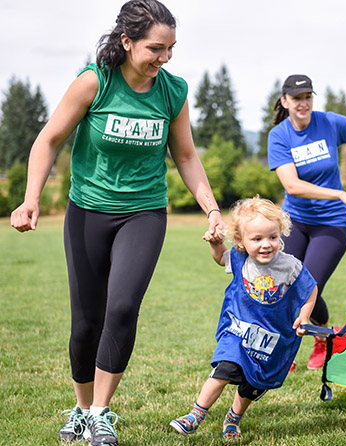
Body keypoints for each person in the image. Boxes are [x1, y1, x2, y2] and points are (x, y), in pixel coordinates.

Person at [10, 1, 225, 445]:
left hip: (145, 211)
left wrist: (212, 208)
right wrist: (31, 199)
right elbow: (48, 139)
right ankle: (82, 407)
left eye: (171, 49)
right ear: (126, 42)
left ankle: (102, 413)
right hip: (88, 210)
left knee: (122, 308)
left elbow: (184, 155)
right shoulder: (95, 82)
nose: (164, 58)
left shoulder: (173, 91)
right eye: (155, 48)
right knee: (86, 321)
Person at [170, 196, 317, 440]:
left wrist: (304, 315)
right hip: (238, 332)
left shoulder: (290, 266)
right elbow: (220, 259)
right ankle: (195, 414)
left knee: (252, 385)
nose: (266, 245)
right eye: (256, 239)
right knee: (225, 368)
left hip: (271, 338)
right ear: (240, 240)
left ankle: (234, 418)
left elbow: (310, 287)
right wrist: (215, 244)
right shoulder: (240, 258)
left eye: (272, 237)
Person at [267, 74, 346, 370]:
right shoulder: (279, 135)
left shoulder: (328, 123)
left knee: (307, 285)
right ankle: (285, 348)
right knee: (283, 283)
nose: (303, 103)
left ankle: (321, 338)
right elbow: (292, 185)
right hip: (295, 222)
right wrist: (340, 193)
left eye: (307, 96)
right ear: (285, 101)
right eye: (296, 98)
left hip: (330, 224)